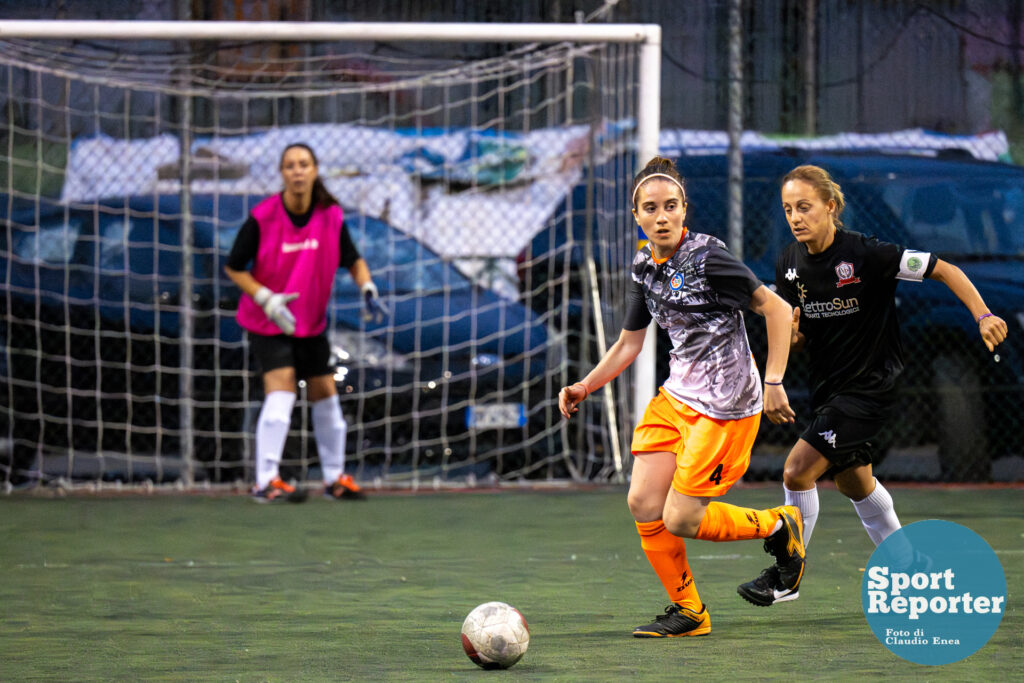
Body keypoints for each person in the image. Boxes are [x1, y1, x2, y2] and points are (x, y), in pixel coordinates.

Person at [737, 164, 1009, 605]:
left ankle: (788, 575)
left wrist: (983, 315)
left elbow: (947, 270)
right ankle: (909, 565)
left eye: (804, 207)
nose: (795, 217)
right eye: (788, 209)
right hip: (831, 389)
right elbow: (799, 333)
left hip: (872, 388)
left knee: (796, 469)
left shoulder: (867, 254)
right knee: (854, 482)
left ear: (831, 206)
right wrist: (796, 334)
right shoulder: (789, 263)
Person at [559, 156, 805, 638]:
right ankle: (690, 612)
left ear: (684, 209)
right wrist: (585, 385)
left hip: (726, 405)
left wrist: (774, 379)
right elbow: (631, 342)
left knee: (681, 517)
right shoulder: (643, 264)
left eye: (671, 206)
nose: (662, 216)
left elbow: (776, 310)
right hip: (678, 397)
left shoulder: (708, 257)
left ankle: (779, 525)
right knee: (644, 503)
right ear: (637, 216)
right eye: (651, 208)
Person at [225, 142, 388, 503]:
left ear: (315, 170)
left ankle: (335, 479)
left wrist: (367, 286)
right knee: (282, 390)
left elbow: (354, 259)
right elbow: (234, 267)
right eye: (290, 166)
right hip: (270, 322)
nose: (297, 171)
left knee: (325, 394)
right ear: (282, 174)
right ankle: (266, 480)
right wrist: (265, 297)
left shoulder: (330, 216)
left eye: (304, 164)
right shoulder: (263, 217)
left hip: (310, 323)